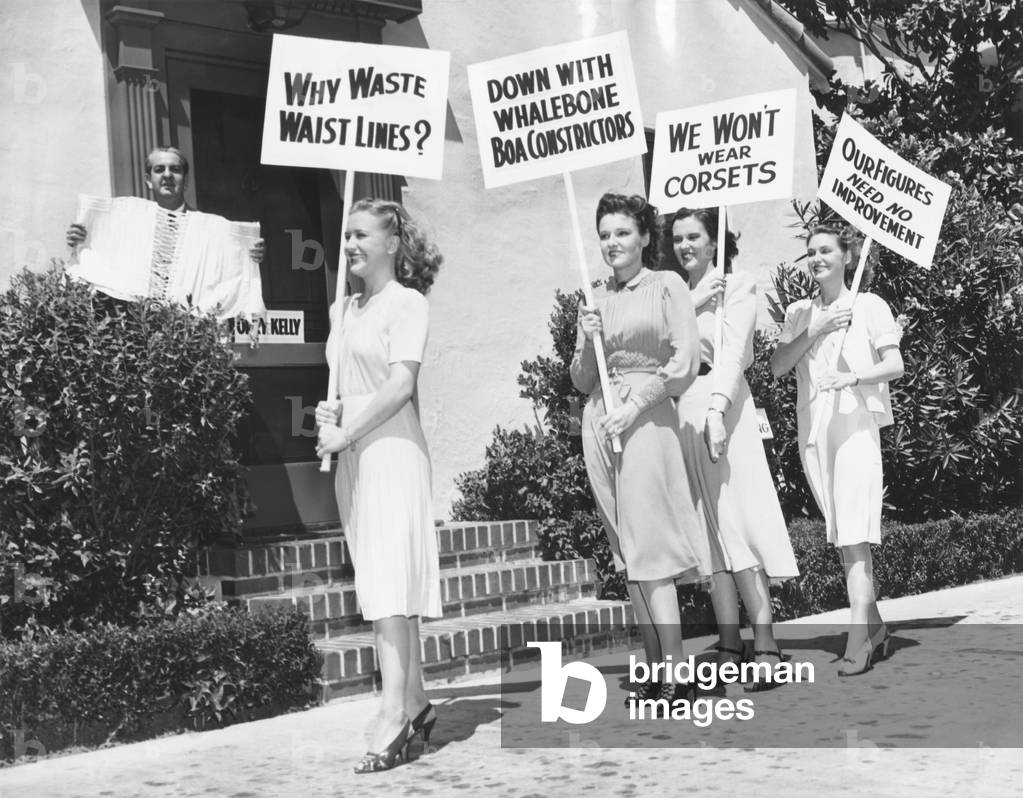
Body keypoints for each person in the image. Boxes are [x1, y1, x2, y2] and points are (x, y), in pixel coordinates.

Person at [315, 198, 442, 772]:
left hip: (391, 450)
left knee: (392, 582)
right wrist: (330, 419)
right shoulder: (343, 310)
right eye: (346, 236)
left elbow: (398, 386)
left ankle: (393, 713)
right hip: (354, 458)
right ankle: (415, 699)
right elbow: (347, 384)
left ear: (392, 244)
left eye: (361, 235)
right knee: (379, 579)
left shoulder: (407, 304)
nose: (350, 245)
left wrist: (348, 433)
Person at [571, 192, 710, 704]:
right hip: (600, 424)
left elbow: (684, 362)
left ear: (646, 237)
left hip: (646, 421)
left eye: (622, 232)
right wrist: (587, 338)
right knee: (627, 550)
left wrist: (637, 405)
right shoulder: (595, 297)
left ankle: (679, 672)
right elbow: (582, 379)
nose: (612, 243)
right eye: (604, 234)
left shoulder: (667, 285)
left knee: (651, 547)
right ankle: (655, 667)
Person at [669, 208, 799, 690]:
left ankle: (764, 640)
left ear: (714, 239)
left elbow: (734, 354)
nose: (686, 246)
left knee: (737, 520)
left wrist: (717, 411)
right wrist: (689, 301)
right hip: (682, 409)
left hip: (726, 408)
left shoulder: (737, 284)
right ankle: (729, 640)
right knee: (707, 531)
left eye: (695, 237)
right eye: (679, 238)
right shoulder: (674, 292)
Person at [770, 222, 903, 676]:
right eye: (811, 252)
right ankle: (877, 628)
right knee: (846, 542)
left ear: (847, 256)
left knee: (853, 536)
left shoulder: (869, 306)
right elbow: (778, 367)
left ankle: (858, 643)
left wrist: (854, 377)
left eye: (826, 249)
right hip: (816, 435)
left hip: (856, 431)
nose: (817, 258)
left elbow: (895, 364)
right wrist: (817, 327)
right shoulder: (798, 311)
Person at [65, 147, 264, 263]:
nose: (167, 175)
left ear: (185, 180)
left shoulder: (209, 230)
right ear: (149, 180)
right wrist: (85, 239)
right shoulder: (128, 226)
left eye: (175, 169)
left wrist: (250, 254)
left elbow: (229, 265)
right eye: (159, 169)